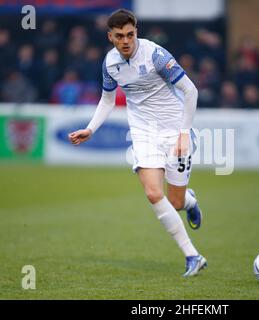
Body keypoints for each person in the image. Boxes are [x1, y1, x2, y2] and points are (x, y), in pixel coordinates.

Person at [68, 9, 207, 277]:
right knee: (154, 194)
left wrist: (183, 133)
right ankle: (193, 256)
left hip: (175, 131)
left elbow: (191, 91)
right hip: (143, 134)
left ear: (136, 32)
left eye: (130, 34)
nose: (126, 41)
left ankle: (189, 202)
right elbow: (108, 100)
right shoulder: (110, 64)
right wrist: (90, 129)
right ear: (110, 37)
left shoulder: (156, 55)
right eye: (119, 36)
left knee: (175, 202)